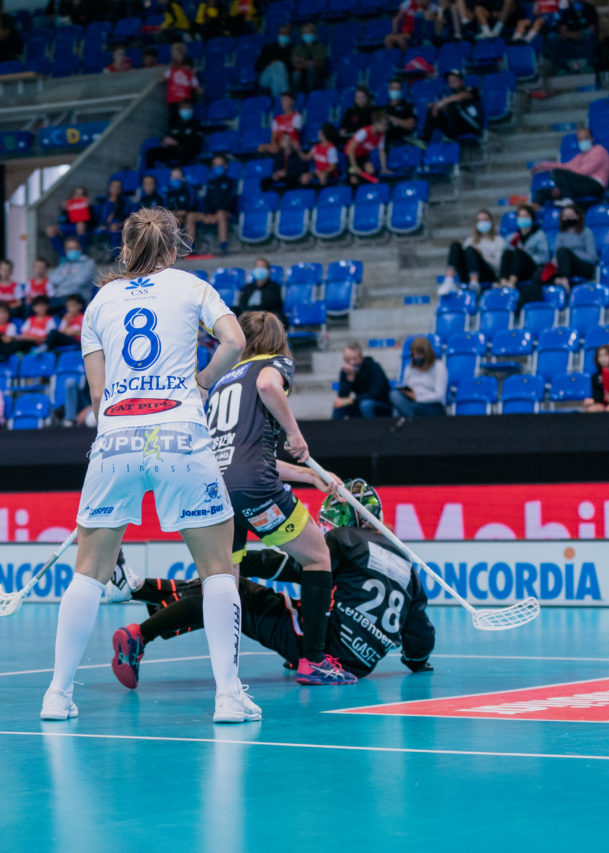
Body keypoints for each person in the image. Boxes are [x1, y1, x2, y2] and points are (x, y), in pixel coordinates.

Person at [40, 206, 257, 725]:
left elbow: (96, 396)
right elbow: (236, 341)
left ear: (126, 245)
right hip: (180, 433)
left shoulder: (99, 302)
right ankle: (228, 696)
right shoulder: (191, 286)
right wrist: (202, 382)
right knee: (217, 569)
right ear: (175, 246)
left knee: (88, 572)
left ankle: (57, 694)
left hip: (115, 436)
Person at [113, 480, 436, 687]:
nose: (325, 527)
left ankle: (141, 628)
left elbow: (292, 566)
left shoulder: (345, 538)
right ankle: (140, 588)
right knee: (233, 589)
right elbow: (419, 634)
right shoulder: (407, 563)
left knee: (231, 590)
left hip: (325, 650)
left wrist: (238, 561)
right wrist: (417, 663)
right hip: (359, 665)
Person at [202, 311, 352, 683]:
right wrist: (295, 434)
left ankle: (227, 679)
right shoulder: (273, 362)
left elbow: (246, 455)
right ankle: (313, 661)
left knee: (226, 582)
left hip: (216, 490)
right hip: (254, 489)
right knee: (318, 557)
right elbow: (270, 386)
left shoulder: (222, 381)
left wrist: (310, 475)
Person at [530, 126, 609, 205]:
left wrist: (564, 183)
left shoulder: (599, 150)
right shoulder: (580, 156)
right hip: (579, 185)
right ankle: (534, 210)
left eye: (585, 138)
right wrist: (543, 165)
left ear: (592, 138)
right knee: (542, 192)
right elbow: (565, 166)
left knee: (557, 173)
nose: (583, 141)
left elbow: (583, 172)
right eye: (580, 139)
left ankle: (567, 199)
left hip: (595, 185)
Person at [185, 154, 237, 254]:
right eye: (215, 165)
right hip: (211, 214)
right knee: (191, 216)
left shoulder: (231, 182)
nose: (218, 167)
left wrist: (217, 214)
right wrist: (208, 214)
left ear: (225, 166)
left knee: (221, 213)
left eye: (220, 165)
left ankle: (223, 245)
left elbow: (230, 201)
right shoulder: (210, 183)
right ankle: (190, 247)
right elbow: (207, 200)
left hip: (227, 213)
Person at [500, 203, 551, 306]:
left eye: (526, 216)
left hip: (532, 268)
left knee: (519, 252)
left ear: (532, 218)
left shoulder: (539, 235)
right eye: (521, 216)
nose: (523, 219)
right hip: (516, 269)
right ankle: (503, 281)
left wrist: (527, 255)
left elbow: (545, 258)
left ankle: (512, 282)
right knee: (507, 252)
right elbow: (507, 258)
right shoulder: (512, 237)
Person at [444, 209, 505, 291]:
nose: (482, 223)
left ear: (491, 221)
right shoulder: (470, 240)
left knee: (470, 250)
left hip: (487, 274)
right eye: (479, 220)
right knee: (456, 245)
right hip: (468, 273)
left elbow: (499, 266)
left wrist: (481, 256)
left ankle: (474, 282)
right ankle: (449, 279)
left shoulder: (499, 241)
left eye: (485, 220)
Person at [420, 69, 483, 145]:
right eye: (449, 81)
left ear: (461, 81)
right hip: (458, 126)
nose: (451, 83)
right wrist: (436, 107)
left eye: (454, 80)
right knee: (432, 110)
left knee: (451, 104)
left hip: (472, 125)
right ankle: (424, 141)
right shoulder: (451, 97)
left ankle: (450, 138)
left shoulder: (471, 90)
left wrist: (440, 103)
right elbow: (446, 108)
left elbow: (461, 97)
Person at [391, 336, 448, 418]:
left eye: (419, 354)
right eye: (414, 354)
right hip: (411, 402)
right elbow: (406, 386)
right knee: (394, 395)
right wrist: (406, 392)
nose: (416, 357)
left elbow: (439, 396)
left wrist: (418, 398)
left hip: (431, 405)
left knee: (402, 410)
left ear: (427, 354)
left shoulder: (439, 367)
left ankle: (410, 418)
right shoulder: (409, 368)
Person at [332, 341, 391, 418]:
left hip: (381, 405)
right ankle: (334, 429)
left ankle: (370, 429)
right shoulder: (346, 372)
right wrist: (349, 380)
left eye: (355, 359)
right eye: (348, 359)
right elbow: (342, 397)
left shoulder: (374, 367)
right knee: (339, 406)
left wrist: (351, 400)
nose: (352, 362)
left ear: (361, 358)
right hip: (359, 403)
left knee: (366, 404)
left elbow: (376, 393)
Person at [144, 100, 204, 168]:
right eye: (183, 109)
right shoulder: (175, 125)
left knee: (182, 150)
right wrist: (164, 142)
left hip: (187, 150)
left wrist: (177, 143)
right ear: (179, 110)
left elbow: (197, 142)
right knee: (150, 152)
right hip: (173, 150)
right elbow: (168, 136)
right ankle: (150, 175)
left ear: (191, 110)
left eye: (187, 108)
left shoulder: (196, 124)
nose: (185, 111)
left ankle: (178, 171)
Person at [552, 205, 597, 289]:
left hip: (583, 266)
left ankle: (564, 280)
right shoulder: (560, 235)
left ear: (578, 217)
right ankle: (559, 281)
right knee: (542, 273)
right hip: (565, 266)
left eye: (571, 216)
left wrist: (572, 253)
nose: (568, 219)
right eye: (565, 217)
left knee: (563, 251)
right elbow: (556, 256)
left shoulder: (586, 232)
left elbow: (592, 257)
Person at [548, 0, 598, 73]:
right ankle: (562, 68)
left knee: (589, 34)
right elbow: (563, 32)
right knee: (552, 37)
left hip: (584, 47)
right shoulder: (566, 11)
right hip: (569, 47)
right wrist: (575, 35)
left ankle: (589, 66)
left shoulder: (590, 9)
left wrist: (576, 34)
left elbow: (591, 29)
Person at [50, 237, 97, 309]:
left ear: (80, 249)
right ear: (66, 251)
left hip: (79, 298)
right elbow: (53, 279)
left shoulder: (88, 263)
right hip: (60, 298)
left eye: (75, 248)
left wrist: (63, 281)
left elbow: (80, 281)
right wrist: (72, 277)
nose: (73, 251)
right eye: (70, 249)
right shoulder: (64, 264)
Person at [345, 109, 389, 185]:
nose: (386, 127)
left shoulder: (382, 134)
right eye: (384, 125)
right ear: (375, 123)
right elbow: (350, 149)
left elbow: (381, 151)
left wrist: (384, 168)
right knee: (354, 180)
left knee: (370, 170)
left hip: (364, 156)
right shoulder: (364, 132)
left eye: (387, 125)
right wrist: (354, 165)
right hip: (351, 157)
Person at [255, 25, 295, 100]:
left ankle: (277, 99)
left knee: (278, 69)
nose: (284, 35)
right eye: (282, 33)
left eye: (286, 33)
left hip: (282, 78)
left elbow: (292, 68)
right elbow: (257, 66)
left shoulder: (292, 49)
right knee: (278, 66)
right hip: (265, 78)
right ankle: (285, 93)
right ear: (278, 34)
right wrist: (269, 64)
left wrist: (278, 64)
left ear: (289, 36)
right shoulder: (268, 48)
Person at [162, 43, 202, 112]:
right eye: (172, 52)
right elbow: (164, 77)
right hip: (175, 96)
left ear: (181, 53)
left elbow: (192, 75)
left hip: (186, 95)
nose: (173, 54)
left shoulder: (188, 62)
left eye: (175, 52)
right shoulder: (173, 65)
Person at [384, 79, 418, 149]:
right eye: (392, 88)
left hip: (401, 138)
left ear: (401, 90)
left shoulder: (407, 107)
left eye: (397, 88)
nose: (394, 91)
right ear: (389, 90)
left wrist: (391, 119)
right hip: (385, 138)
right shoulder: (385, 108)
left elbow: (410, 125)